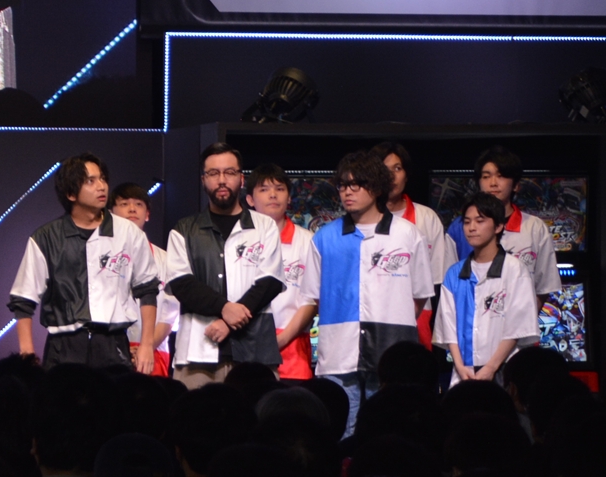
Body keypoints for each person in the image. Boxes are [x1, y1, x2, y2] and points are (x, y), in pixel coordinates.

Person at [312, 149, 434, 435]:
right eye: (343, 185)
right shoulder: (324, 238)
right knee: (343, 431)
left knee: (392, 431)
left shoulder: (407, 234)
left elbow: (419, 295)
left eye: (356, 184)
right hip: (339, 351)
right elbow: (315, 296)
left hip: (392, 350)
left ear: (377, 187)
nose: (347, 191)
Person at [9, 154, 158, 373]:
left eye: (102, 179)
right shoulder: (46, 238)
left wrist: (147, 345)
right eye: (90, 181)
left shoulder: (129, 233)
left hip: (113, 345)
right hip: (63, 348)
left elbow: (147, 289)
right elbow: (23, 300)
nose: (101, 186)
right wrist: (27, 355)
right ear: (71, 193)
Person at [163, 143, 285, 388]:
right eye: (213, 173)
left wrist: (229, 320)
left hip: (255, 350)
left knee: (260, 411)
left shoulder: (264, 226)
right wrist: (224, 307)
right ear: (203, 180)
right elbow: (181, 284)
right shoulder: (184, 229)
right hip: (198, 353)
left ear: (241, 179)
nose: (221, 180)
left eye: (229, 172)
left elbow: (270, 281)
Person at [443, 145, 557, 323]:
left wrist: (522, 323)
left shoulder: (534, 228)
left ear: (516, 185)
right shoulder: (459, 228)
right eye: (486, 176)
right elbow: (450, 286)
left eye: (501, 176)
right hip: (471, 328)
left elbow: (544, 286)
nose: (493, 183)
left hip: (519, 330)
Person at [436, 192, 539, 387]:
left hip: (503, 369)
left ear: (498, 226)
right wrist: (459, 365)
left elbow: (517, 326)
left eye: (480, 221)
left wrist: (491, 367)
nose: (471, 228)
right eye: (467, 222)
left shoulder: (515, 270)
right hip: (464, 371)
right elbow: (448, 327)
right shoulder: (454, 274)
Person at [370, 141, 456, 345]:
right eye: (384, 169)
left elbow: (438, 279)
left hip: (418, 318)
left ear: (407, 175)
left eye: (397, 168)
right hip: (370, 318)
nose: (391, 176)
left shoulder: (426, 218)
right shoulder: (362, 219)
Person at [246, 164, 319, 383]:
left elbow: (312, 299)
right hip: (246, 347)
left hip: (293, 350)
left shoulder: (308, 241)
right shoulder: (237, 241)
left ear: (289, 198)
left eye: (279, 189)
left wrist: (281, 339)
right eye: (264, 189)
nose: (272, 195)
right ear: (250, 199)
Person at [111, 183, 179, 376]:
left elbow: (170, 312)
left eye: (138, 204)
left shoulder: (166, 259)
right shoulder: (100, 256)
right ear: (111, 213)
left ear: (147, 214)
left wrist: (146, 346)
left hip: (154, 351)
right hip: (111, 349)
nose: (132, 209)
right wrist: (124, 349)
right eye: (124, 204)